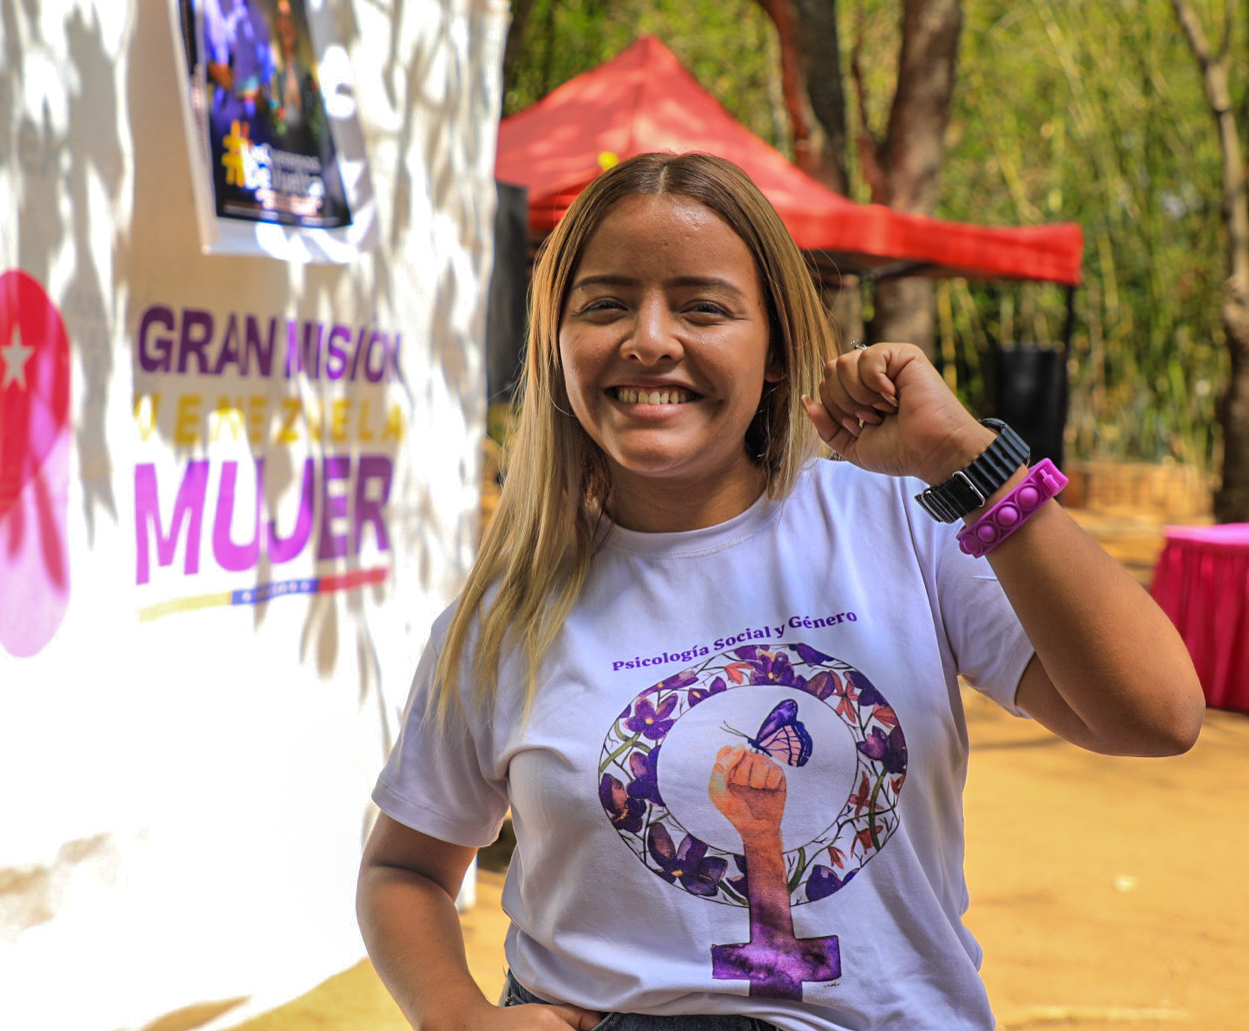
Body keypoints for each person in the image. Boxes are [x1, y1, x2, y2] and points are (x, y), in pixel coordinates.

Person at [357, 152, 1203, 1031]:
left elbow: (1156, 714)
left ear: (773, 350)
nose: (648, 337)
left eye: (703, 307)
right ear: (555, 342)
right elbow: (403, 868)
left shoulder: (902, 522)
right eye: (604, 304)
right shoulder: (505, 618)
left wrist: (966, 461)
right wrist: (454, 1013)